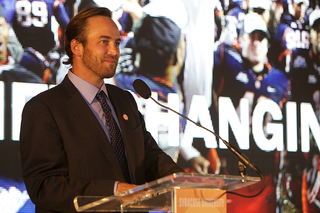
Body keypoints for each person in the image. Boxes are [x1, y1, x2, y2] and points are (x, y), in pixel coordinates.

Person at [19, 6, 184, 213]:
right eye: (104, 42)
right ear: (76, 47)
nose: (114, 51)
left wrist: (184, 181)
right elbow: (44, 187)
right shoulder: (43, 108)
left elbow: (149, 157)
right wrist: (114, 191)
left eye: (116, 43)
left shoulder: (124, 100)